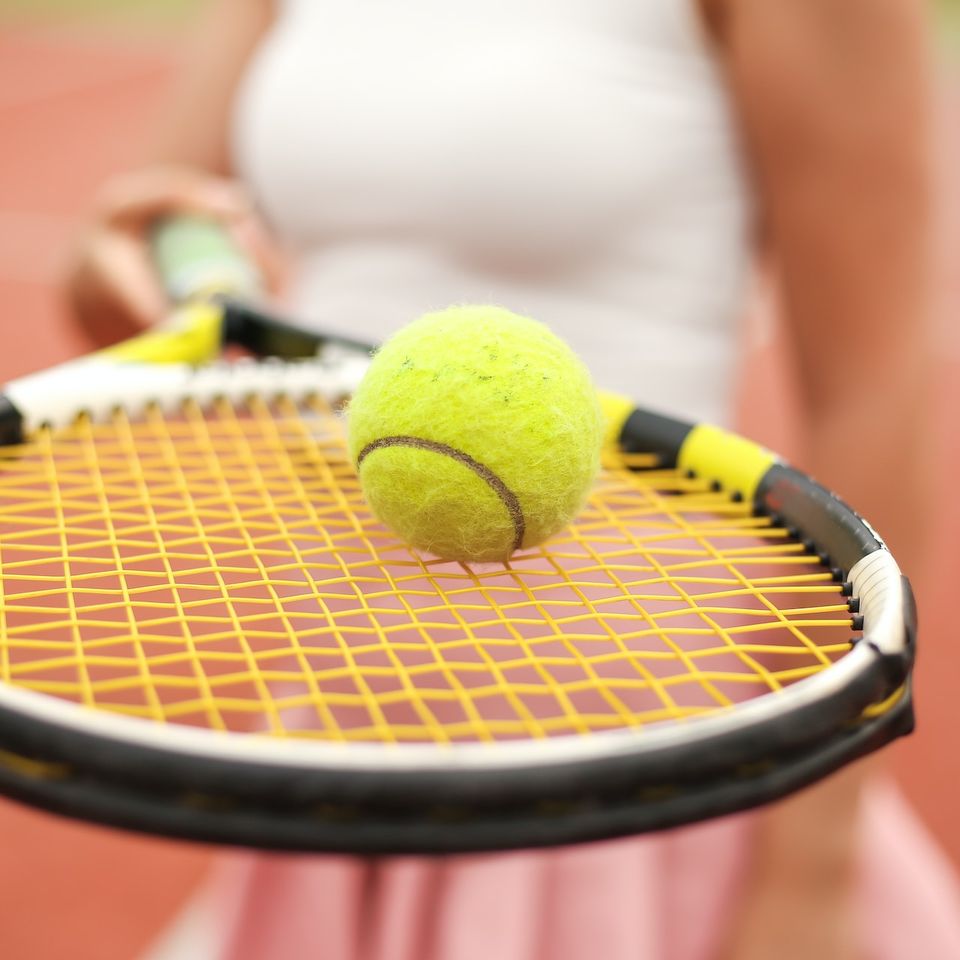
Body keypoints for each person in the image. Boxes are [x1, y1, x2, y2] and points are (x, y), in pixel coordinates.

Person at [66, 1, 960, 958]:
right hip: (335, 710)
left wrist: (808, 877)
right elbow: (139, 244)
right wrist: (123, 259)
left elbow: (876, 390)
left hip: (621, 746)